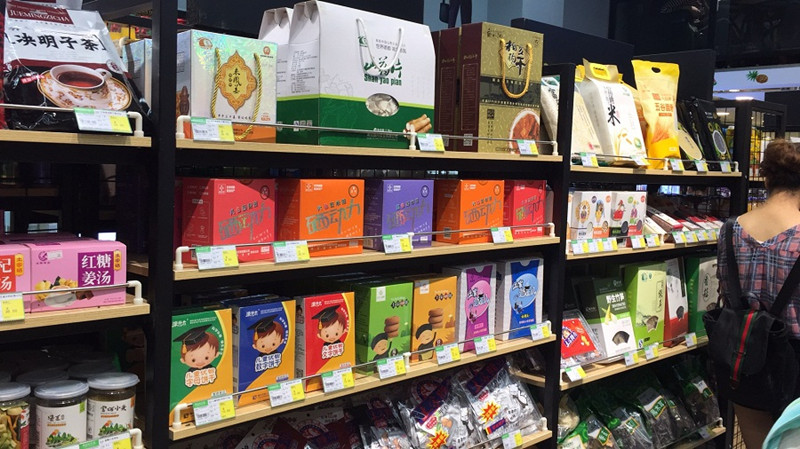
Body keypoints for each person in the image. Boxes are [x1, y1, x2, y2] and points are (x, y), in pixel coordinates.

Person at [716, 139, 800, 448]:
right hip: (795, 362)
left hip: (743, 356)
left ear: (766, 179)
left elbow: (725, 289)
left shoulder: (729, 230)